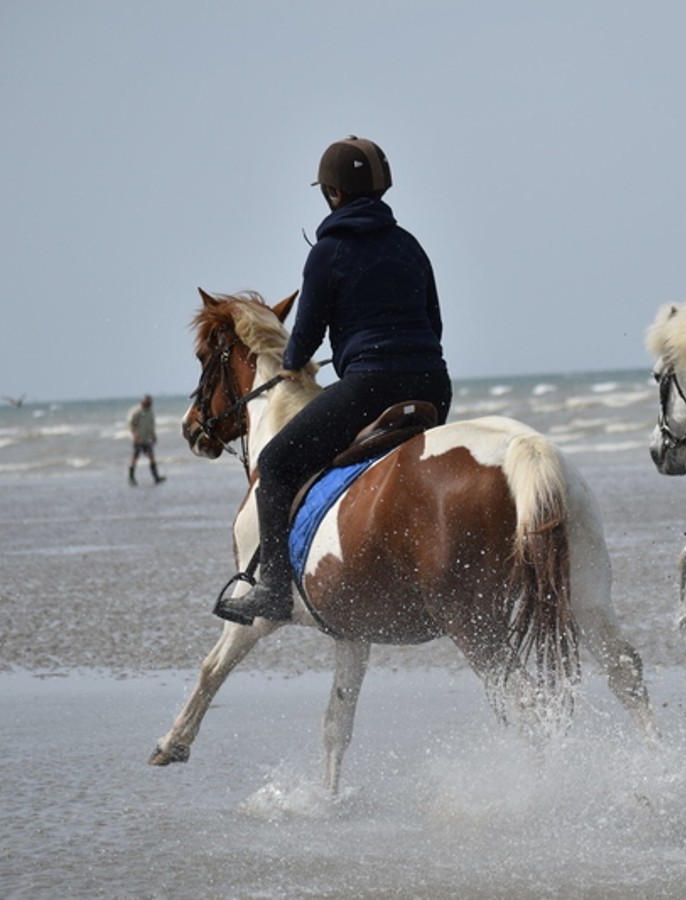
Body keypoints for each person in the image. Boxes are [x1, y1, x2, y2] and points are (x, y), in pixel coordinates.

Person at [214, 136, 453, 625]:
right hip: (433, 384)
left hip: (370, 387)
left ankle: (276, 592)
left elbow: (304, 337)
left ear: (332, 193)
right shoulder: (410, 245)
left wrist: (293, 362)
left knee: (277, 463)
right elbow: (435, 323)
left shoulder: (329, 251)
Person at [127, 394, 166, 486]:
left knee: (152, 458)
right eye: (147, 402)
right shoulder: (137, 411)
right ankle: (131, 478)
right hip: (139, 439)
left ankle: (156, 477)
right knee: (134, 459)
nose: (149, 404)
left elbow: (151, 425)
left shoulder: (150, 412)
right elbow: (131, 424)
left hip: (147, 439)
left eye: (150, 402)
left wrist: (153, 435)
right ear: (143, 401)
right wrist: (134, 434)